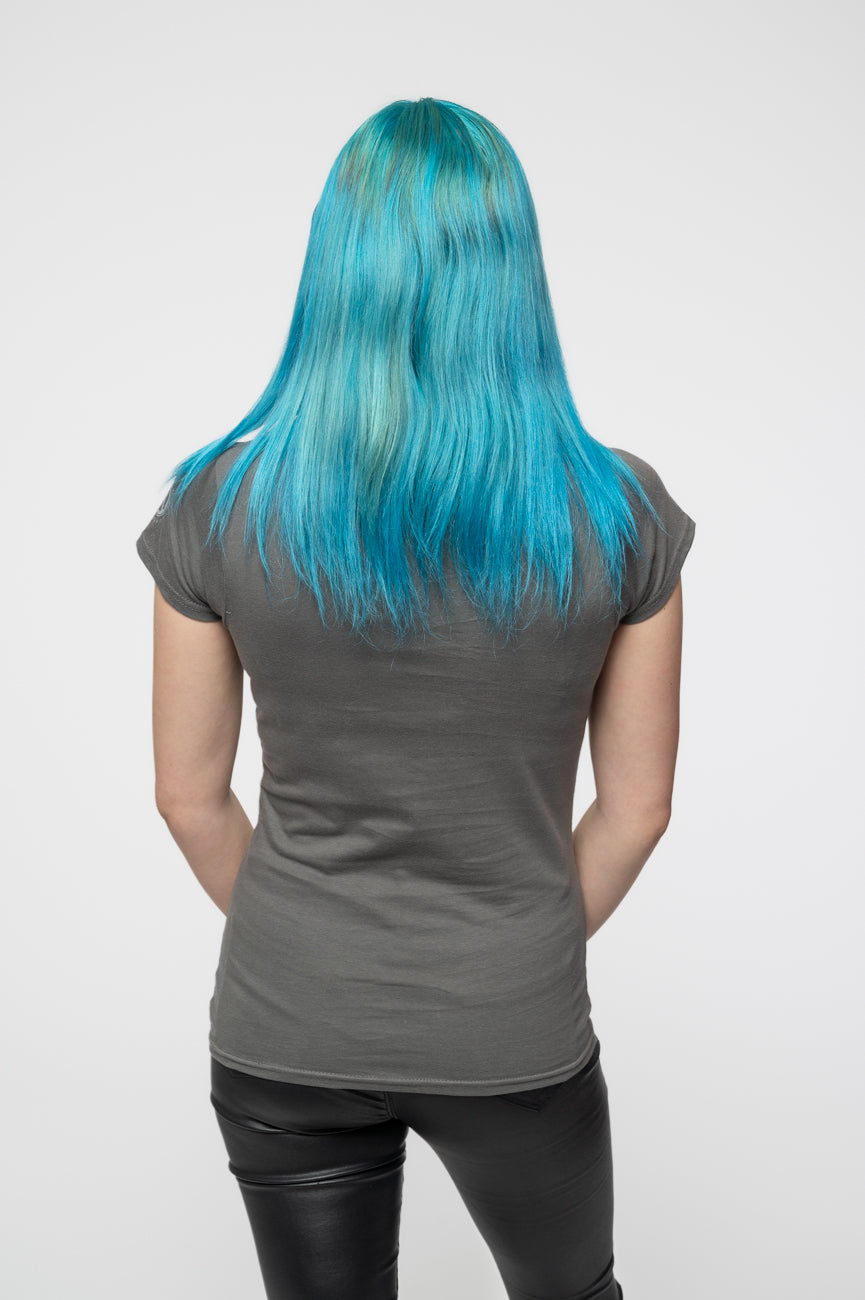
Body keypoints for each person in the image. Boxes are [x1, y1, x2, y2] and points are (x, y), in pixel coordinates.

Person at [136, 97, 695, 1300]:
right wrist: (500, 952)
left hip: (285, 1021)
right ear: (512, 273)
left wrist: (317, 939)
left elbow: (189, 799)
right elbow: (636, 808)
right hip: (511, 1023)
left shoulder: (217, 507)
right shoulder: (618, 512)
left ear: (337, 269)